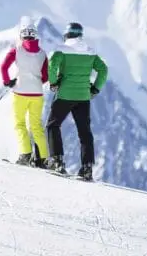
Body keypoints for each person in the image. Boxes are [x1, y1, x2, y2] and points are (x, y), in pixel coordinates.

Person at [46, 22, 108, 181]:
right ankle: (87, 169)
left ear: (67, 34)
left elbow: (52, 66)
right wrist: (95, 89)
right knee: (85, 132)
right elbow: (103, 70)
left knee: (53, 125)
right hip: (83, 97)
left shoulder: (61, 50)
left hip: (65, 95)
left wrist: (53, 83)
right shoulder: (90, 51)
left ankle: (57, 162)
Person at [0, 23, 50, 167]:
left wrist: (8, 81)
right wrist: (36, 82)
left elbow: (4, 67)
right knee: (36, 126)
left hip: (20, 92)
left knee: (20, 124)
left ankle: (25, 154)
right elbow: (45, 76)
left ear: (21, 36)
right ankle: (43, 159)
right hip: (37, 93)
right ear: (35, 36)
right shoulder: (42, 54)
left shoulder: (16, 50)